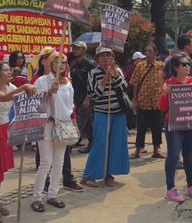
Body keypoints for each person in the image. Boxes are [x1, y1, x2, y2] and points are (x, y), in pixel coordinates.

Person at [0, 62, 36, 223]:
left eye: (9, 70)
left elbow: (19, 97)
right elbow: (3, 98)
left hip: (4, 133)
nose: (9, 72)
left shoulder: (10, 87)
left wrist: (31, 90)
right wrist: (24, 86)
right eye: (5, 70)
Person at [32, 46, 83, 193]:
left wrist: (75, 125)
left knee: (59, 163)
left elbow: (70, 108)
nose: (60, 64)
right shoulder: (42, 81)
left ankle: (53, 194)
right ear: (50, 63)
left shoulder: (68, 83)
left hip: (63, 127)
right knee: (45, 163)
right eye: (57, 61)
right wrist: (49, 92)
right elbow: (36, 104)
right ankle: (37, 196)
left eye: (64, 62)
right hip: (46, 127)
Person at [158, 53, 192, 202]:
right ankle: (170, 188)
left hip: (191, 124)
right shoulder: (169, 83)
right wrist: (165, 94)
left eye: (188, 64)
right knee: (173, 155)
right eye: (184, 64)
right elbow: (162, 107)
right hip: (174, 125)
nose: (187, 66)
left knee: (189, 156)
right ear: (175, 67)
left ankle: (191, 186)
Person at [80, 47, 130, 187]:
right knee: (100, 144)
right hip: (102, 112)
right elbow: (94, 95)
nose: (106, 58)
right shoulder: (93, 73)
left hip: (118, 112)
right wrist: (105, 79)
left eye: (108, 55)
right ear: (97, 59)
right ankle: (88, 176)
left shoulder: (117, 70)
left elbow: (125, 87)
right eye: (102, 55)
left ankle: (109, 175)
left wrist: (114, 76)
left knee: (116, 145)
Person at [129, 44, 165, 159]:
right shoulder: (140, 66)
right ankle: (138, 150)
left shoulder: (161, 66)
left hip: (157, 102)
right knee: (141, 127)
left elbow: (166, 83)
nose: (147, 53)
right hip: (143, 101)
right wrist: (134, 99)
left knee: (157, 127)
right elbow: (135, 83)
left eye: (150, 51)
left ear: (155, 53)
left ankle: (156, 150)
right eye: (146, 50)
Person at [69, 41, 95, 153]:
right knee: (88, 124)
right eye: (73, 48)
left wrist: (88, 98)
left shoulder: (90, 65)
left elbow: (92, 84)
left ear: (83, 50)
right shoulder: (72, 63)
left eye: (77, 48)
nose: (74, 50)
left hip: (85, 99)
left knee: (78, 124)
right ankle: (93, 145)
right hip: (75, 98)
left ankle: (67, 147)